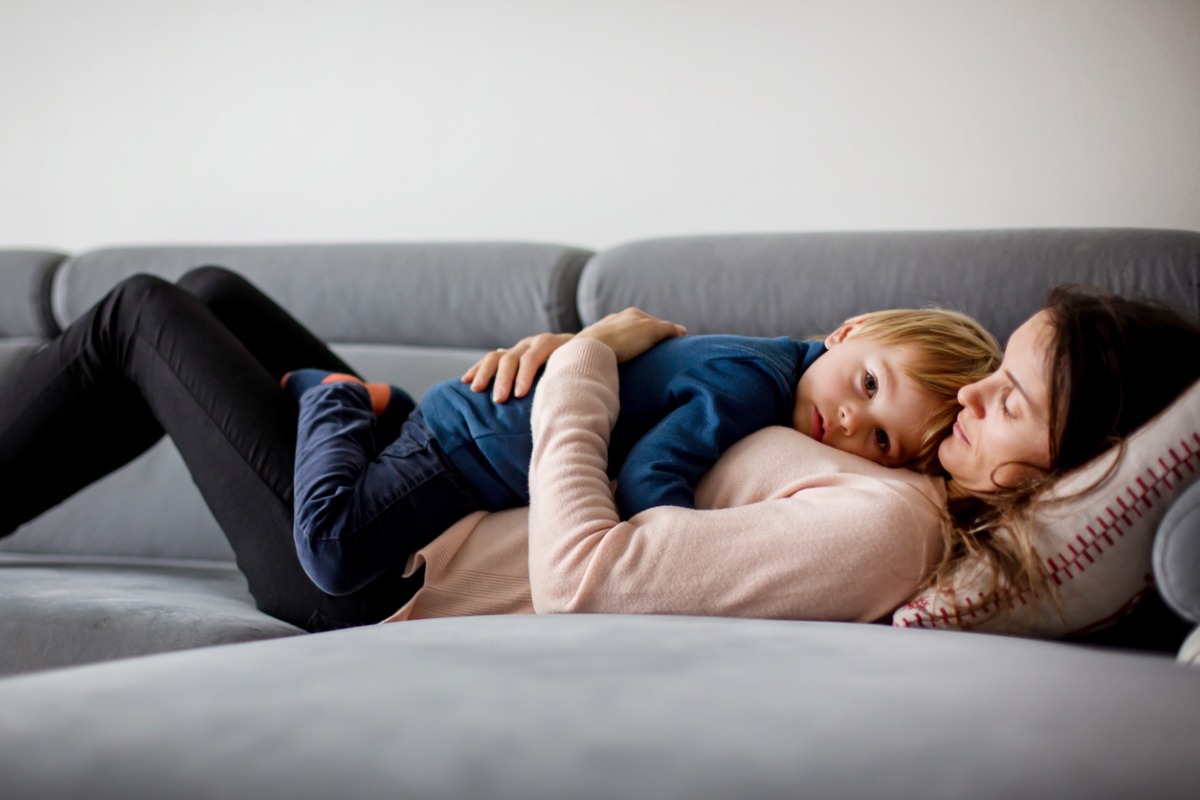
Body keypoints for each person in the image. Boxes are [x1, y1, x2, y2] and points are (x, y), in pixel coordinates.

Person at [0, 267, 1195, 633]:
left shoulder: (891, 519)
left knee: (138, 313)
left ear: (1074, 462)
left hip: (377, 570)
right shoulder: (897, 463)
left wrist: (585, 357)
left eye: (1012, 399)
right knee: (214, 296)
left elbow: (585, 578)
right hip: (441, 487)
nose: (971, 399)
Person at [281, 306, 1000, 595]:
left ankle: (390, 413)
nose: (847, 422)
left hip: (477, 437)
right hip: (469, 446)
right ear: (849, 329)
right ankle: (338, 400)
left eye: (882, 438)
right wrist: (677, 540)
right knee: (332, 550)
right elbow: (655, 471)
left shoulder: (774, 371)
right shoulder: (749, 384)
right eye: (869, 383)